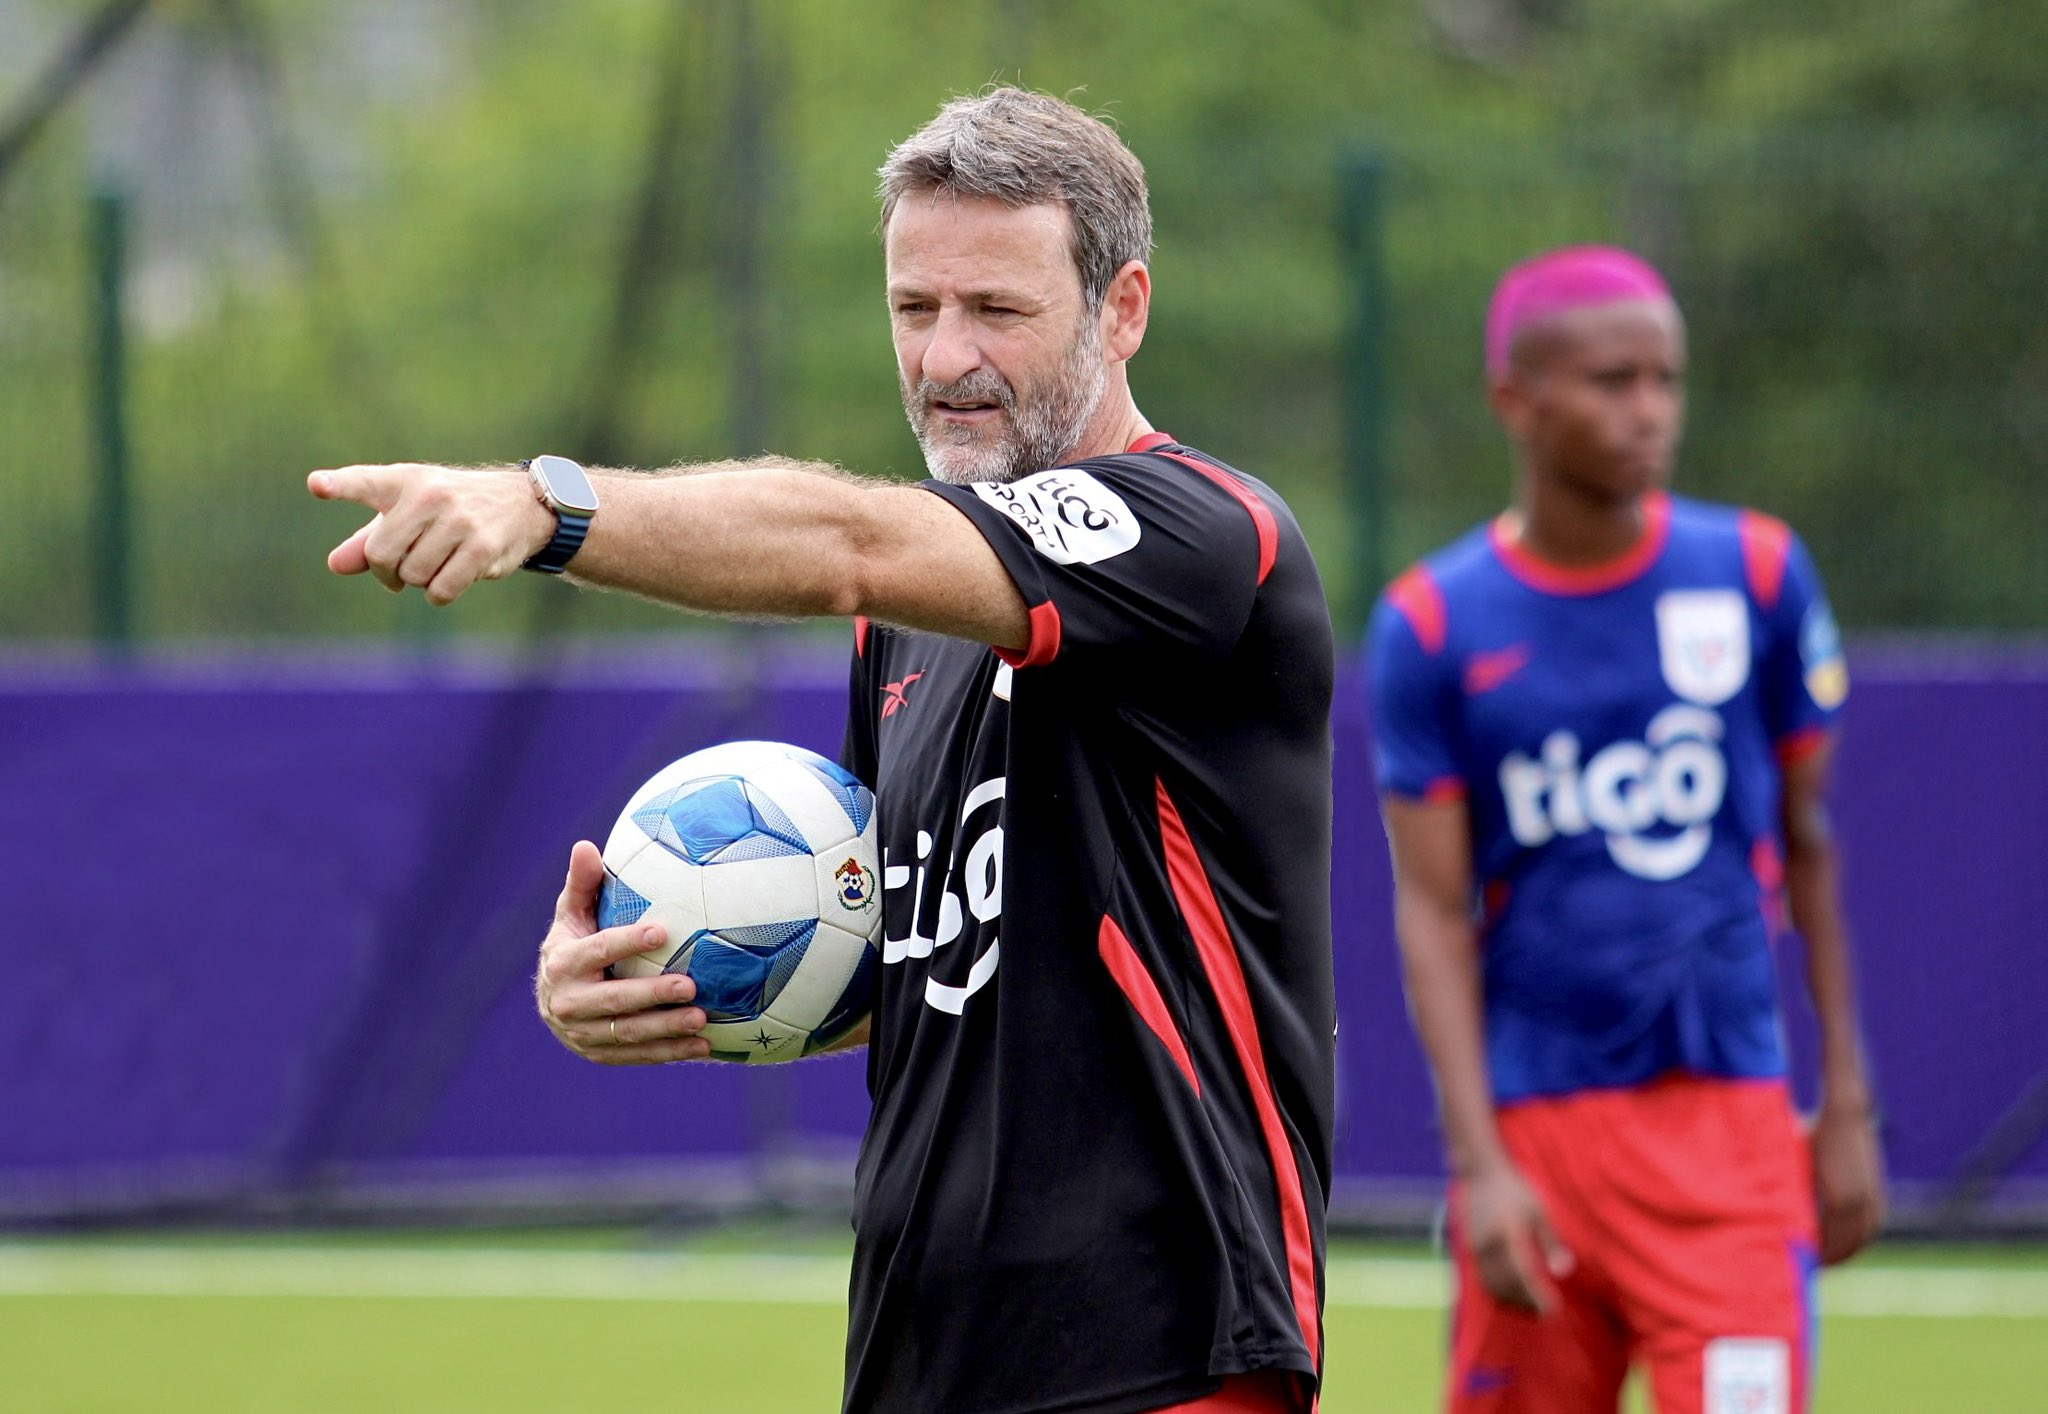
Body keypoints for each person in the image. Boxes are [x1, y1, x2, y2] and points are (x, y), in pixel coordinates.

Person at [310, 88, 1335, 1414]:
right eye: (916, 308)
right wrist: (650, 972)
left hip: (1161, 1344)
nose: (946, 355)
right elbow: (911, 963)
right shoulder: (902, 630)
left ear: (1121, 308)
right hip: (924, 1345)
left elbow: (852, 535)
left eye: (998, 310)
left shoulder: (1204, 535)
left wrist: (544, 502)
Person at [1364, 245, 1885, 1414]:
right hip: (1537, 1140)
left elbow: (1806, 842)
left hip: (1731, 1137)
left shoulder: (1754, 572)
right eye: (1611, 381)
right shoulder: (1432, 622)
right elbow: (1432, 912)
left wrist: (1842, 1101)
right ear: (1516, 398)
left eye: (1664, 379)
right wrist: (1478, 1167)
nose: (1647, 410)